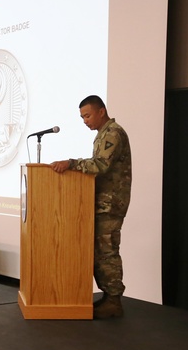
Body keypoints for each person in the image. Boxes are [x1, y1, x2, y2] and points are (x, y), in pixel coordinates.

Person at [49, 95, 132, 318]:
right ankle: (109, 297)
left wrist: (71, 163)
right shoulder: (102, 134)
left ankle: (114, 300)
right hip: (101, 203)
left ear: (101, 111)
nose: (85, 120)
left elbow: (101, 165)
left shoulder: (113, 133)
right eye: (82, 117)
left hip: (111, 204)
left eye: (87, 115)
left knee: (107, 251)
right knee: (99, 252)